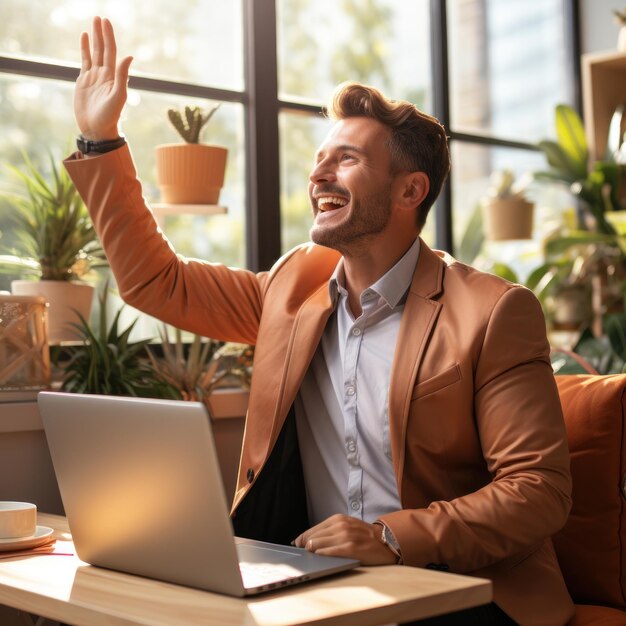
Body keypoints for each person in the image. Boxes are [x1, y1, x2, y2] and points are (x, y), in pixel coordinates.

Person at [64, 16, 575, 626]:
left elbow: (537, 492)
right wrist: (100, 140)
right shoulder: (292, 289)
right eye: (319, 159)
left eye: (348, 159)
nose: (318, 175)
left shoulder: (493, 312)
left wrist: (390, 537)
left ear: (411, 191)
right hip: (319, 585)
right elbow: (158, 282)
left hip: (460, 591)